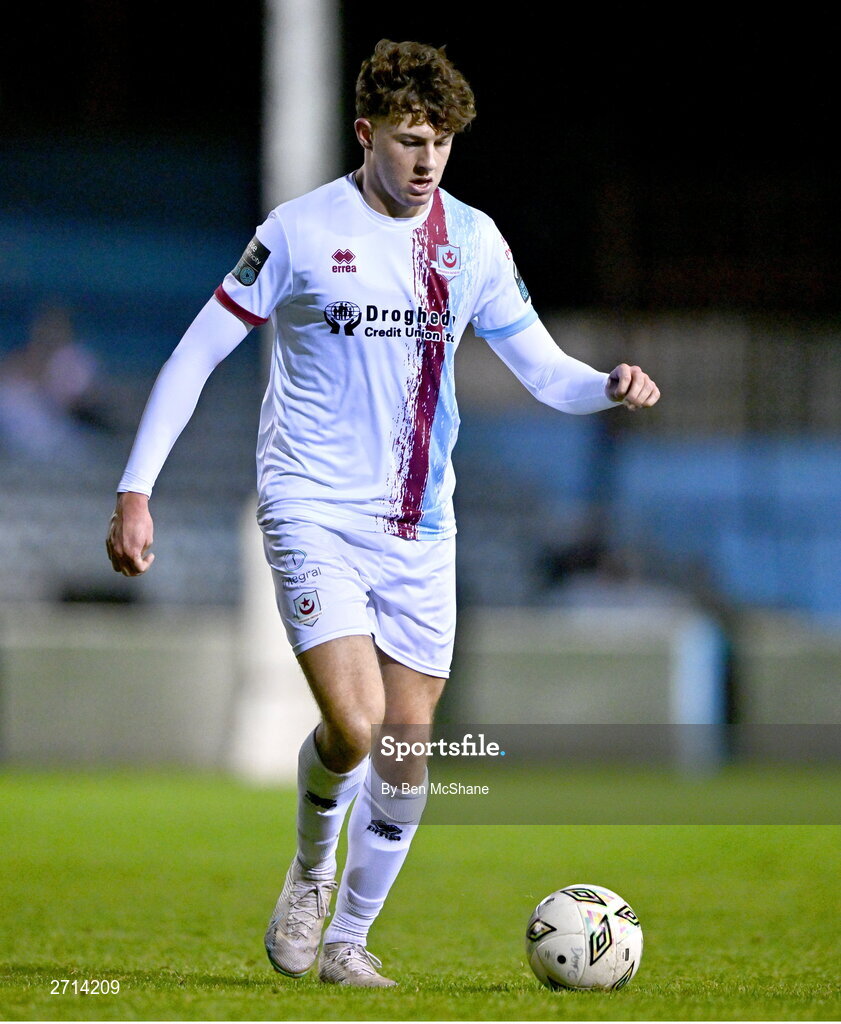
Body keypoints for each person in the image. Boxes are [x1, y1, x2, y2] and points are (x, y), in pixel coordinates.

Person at [106, 39, 660, 988]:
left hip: (419, 528)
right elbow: (197, 354)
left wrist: (606, 385)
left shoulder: (474, 242)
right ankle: (312, 871)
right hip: (310, 507)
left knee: (404, 746)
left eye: (441, 143)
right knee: (355, 727)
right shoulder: (297, 231)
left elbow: (543, 371)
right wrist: (135, 488)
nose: (425, 161)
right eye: (408, 140)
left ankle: (350, 941)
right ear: (365, 134)